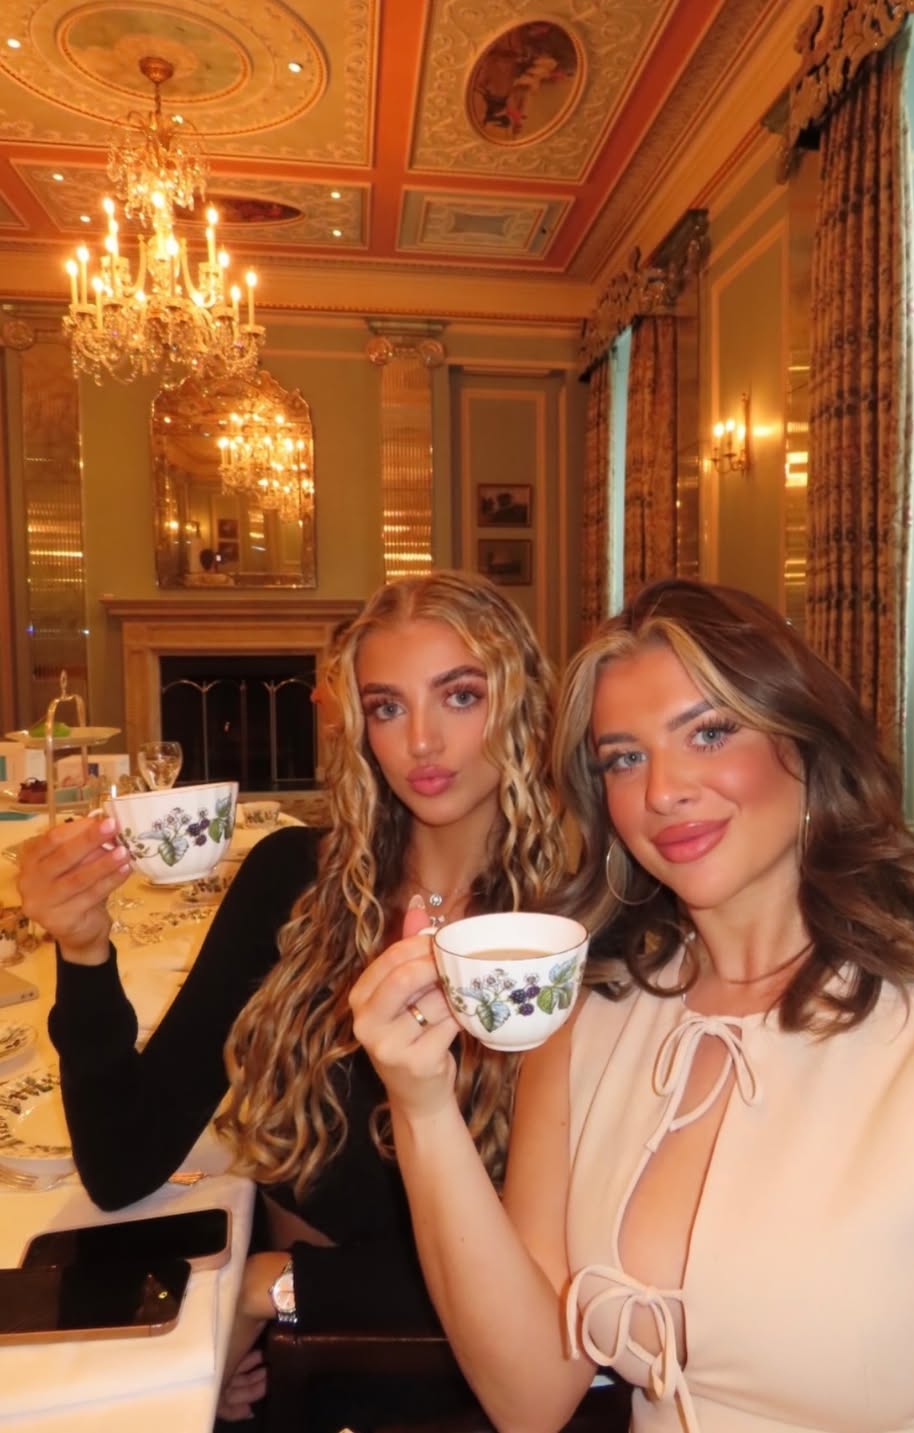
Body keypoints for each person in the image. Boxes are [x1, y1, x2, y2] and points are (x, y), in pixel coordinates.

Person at [350, 577, 914, 1432]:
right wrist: (422, 1103)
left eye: (709, 731)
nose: (662, 790)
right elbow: (529, 1397)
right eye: (624, 758)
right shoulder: (591, 1018)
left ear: (804, 741)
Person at [17, 570, 566, 1428]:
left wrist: (269, 1287)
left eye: (460, 695)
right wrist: (84, 951)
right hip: (296, 1362)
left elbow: (560, 1280)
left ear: (521, 702)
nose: (422, 740)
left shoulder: (561, 937)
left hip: (449, 1380)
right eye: (387, 707)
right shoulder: (295, 884)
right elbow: (122, 1164)